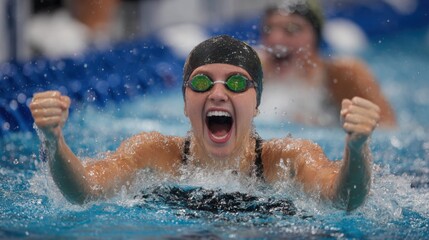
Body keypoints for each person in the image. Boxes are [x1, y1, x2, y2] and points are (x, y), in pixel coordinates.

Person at [29, 35, 380, 211]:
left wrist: (357, 147)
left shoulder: (285, 161)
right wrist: (54, 141)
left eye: (237, 82)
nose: (217, 93)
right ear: (185, 103)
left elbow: (344, 200)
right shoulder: (152, 153)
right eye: (201, 82)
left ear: (255, 103)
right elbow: (84, 192)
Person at [258, 0, 396, 127]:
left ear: (315, 36)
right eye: (268, 30)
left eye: (292, 29)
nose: (274, 39)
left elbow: (387, 129)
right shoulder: (256, 70)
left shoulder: (343, 74)